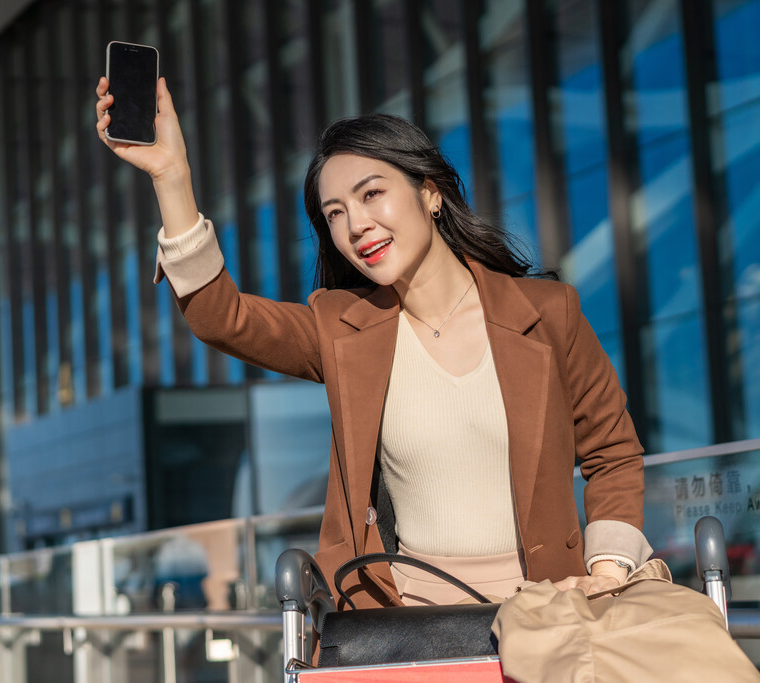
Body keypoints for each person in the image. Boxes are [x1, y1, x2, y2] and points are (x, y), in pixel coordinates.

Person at [95, 76, 651, 610]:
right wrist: (172, 176)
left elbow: (613, 453)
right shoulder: (343, 327)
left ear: (429, 193)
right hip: (406, 620)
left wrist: (605, 572)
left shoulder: (549, 314)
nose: (356, 224)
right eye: (335, 214)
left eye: (372, 194)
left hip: (546, 611)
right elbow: (223, 318)